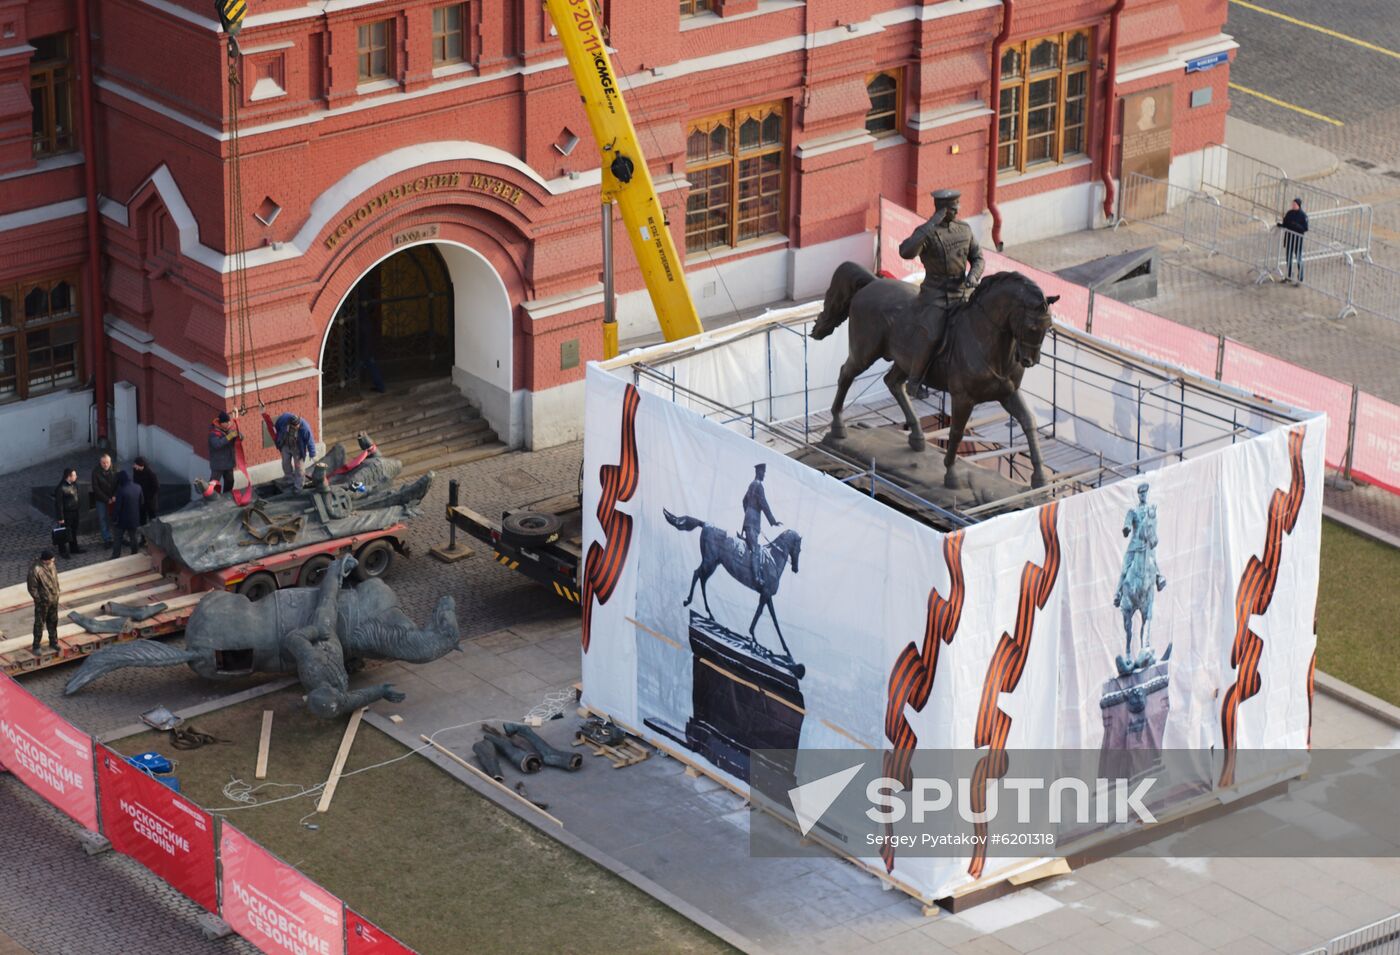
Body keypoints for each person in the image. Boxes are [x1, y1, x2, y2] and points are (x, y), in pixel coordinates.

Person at [898, 188, 984, 360]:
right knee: (932, 336)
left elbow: (978, 258)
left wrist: (973, 276)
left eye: (958, 205)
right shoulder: (926, 233)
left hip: (962, 293)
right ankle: (915, 380)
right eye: (953, 207)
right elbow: (906, 251)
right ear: (942, 210)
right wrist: (931, 224)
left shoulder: (964, 229)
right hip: (936, 296)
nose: (958, 210)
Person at [739, 463, 781, 584]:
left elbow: (744, 501)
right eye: (763, 472)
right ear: (758, 472)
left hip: (749, 521)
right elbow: (764, 504)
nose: (764, 475)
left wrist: (747, 513)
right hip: (753, 523)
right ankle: (756, 577)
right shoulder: (758, 486)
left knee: (752, 548)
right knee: (755, 549)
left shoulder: (751, 485)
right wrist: (773, 521)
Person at [27, 550, 61, 657]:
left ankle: (53, 642)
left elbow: (55, 580)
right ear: (46, 560)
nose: (53, 560)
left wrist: (57, 591)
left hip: (54, 599)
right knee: (39, 623)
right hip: (43, 602)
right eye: (51, 559)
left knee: (53, 621)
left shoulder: (51, 565)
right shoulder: (35, 570)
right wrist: (39, 600)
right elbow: (32, 588)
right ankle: (36, 646)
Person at [274, 412, 317, 490]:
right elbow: (277, 426)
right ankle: (289, 479)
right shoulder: (284, 420)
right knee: (285, 463)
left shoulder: (305, 428)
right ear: (290, 424)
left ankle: (299, 485)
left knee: (299, 467)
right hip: (285, 445)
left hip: (297, 448)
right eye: (294, 426)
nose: (296, 428)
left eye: (297, 426)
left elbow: (310, 440)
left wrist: (312, 453)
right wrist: (278, 438)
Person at [111, 470, 144, 559]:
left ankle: (115, 556)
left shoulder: (121, 491)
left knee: (118, 538)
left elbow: (117, 507)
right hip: (134, 518)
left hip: (122, 520)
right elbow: (141, 502)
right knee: (133, 537)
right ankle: (134, 554)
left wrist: (113, 518)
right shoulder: (138, 487)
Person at [52, 467, 84, 558]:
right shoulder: (61, 488)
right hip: (66, 514)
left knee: (73, 531)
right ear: (68, 476)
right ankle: (62, 551)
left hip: (74, 512)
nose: (76, 476)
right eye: (74, 475)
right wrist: (60, 517)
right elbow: (59, 504)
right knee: (64, 532)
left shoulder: (74, 484)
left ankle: (74, 548)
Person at [207, 411, 242, 494]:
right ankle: (212, 497)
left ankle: (226, 495)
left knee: (230, 482)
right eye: (226, 422)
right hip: (218, 464)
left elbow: (241, 437)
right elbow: (217, 444)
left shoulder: (229, 430)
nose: (228, 423)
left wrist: (238, 435)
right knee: (213, 483)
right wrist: (229, 436)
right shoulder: (213, 433)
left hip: (228, 463)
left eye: (228, 422)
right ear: (221, 423)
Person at [91, 452, 117, 547]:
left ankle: (118, 537)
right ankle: (107, 539)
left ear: (110, 462)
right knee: (103, 519)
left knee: (116, 518)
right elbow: (96, 488)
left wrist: (114, 495)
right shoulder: (96, 472)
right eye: (103, 463)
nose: (106, 464)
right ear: (100, 463)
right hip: (101, 499)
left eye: (107, 462)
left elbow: (119, 483)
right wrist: (106, 499)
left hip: (114, 498)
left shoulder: (115, 469)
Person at [1279, 198, 1308, 286]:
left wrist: (1297, 226)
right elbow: (1285, 224)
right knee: (1288, 259)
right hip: (1289, 239)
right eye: (1292, 204)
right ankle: (1289, 276)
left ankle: (1300, 278)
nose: (1293, 205)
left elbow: (1305, 228)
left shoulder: (1303, 216)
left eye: (1295, 204)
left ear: (1298, 205)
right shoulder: (1289, 213)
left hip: (1297, 240)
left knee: (1299, 259)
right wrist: (1281, 225)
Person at [132, 456, 160, 526]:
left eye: (136, 464)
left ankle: (153, 535)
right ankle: (143, 536)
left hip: (150, 501)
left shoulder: (151, 474)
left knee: (153, 519)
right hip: (141, 501)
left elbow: (156, 487)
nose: (134, 466)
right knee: (142, 520)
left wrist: (149, 496)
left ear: (141, 465)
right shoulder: (136, 472)